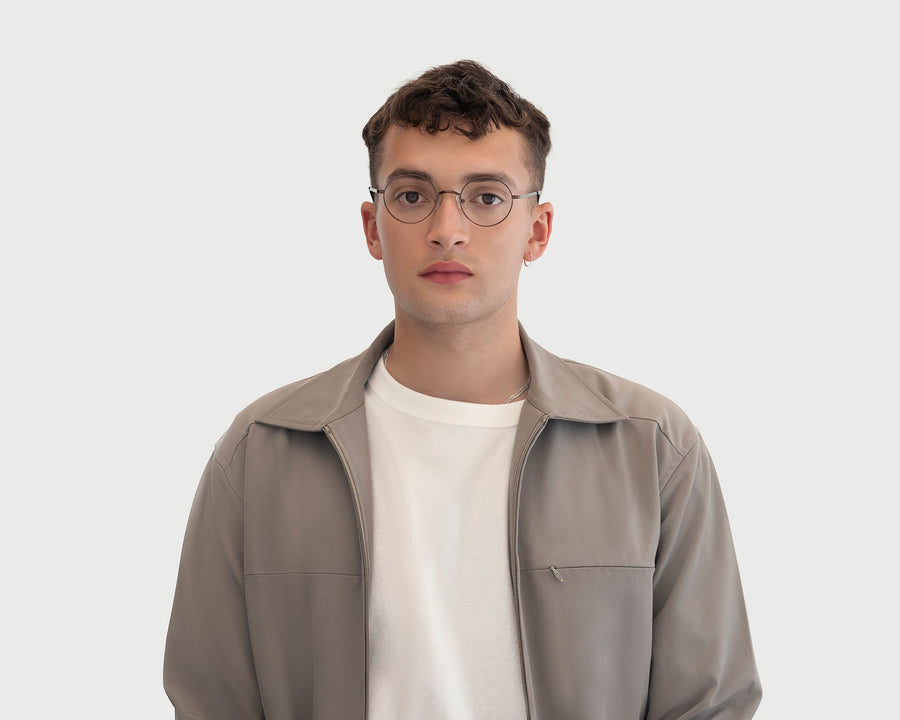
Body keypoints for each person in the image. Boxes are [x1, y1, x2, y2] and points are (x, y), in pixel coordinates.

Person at [164, 59, 762, 719]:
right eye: (412, 196)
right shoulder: (261, 453)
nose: (447, 229)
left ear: (538, 230)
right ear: (372, 227)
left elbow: (709, 705)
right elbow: (211, 703)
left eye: (486, 197)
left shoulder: (650, 447)